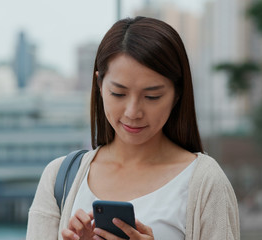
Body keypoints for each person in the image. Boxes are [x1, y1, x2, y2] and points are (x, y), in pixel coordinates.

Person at [26, 16, 239, 240]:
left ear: (177, 94)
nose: (133, 112)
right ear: (99, 85)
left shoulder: (205, 182)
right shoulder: (59, 177)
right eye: (118, 93)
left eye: (152, 96)